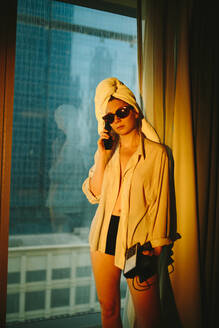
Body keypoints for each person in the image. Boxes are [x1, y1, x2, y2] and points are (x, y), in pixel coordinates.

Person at [82, 77, 172, 328]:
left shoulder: (157, 154)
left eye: (121, 112)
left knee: (149, 318)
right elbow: (95, 194)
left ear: (135, 110)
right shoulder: (107, 151)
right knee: (108, 309)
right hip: (102, 234)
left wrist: (154, 250)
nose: (116, 120)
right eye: (109, 117)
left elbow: (161, 205)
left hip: (138, 239)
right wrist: (102, 156)